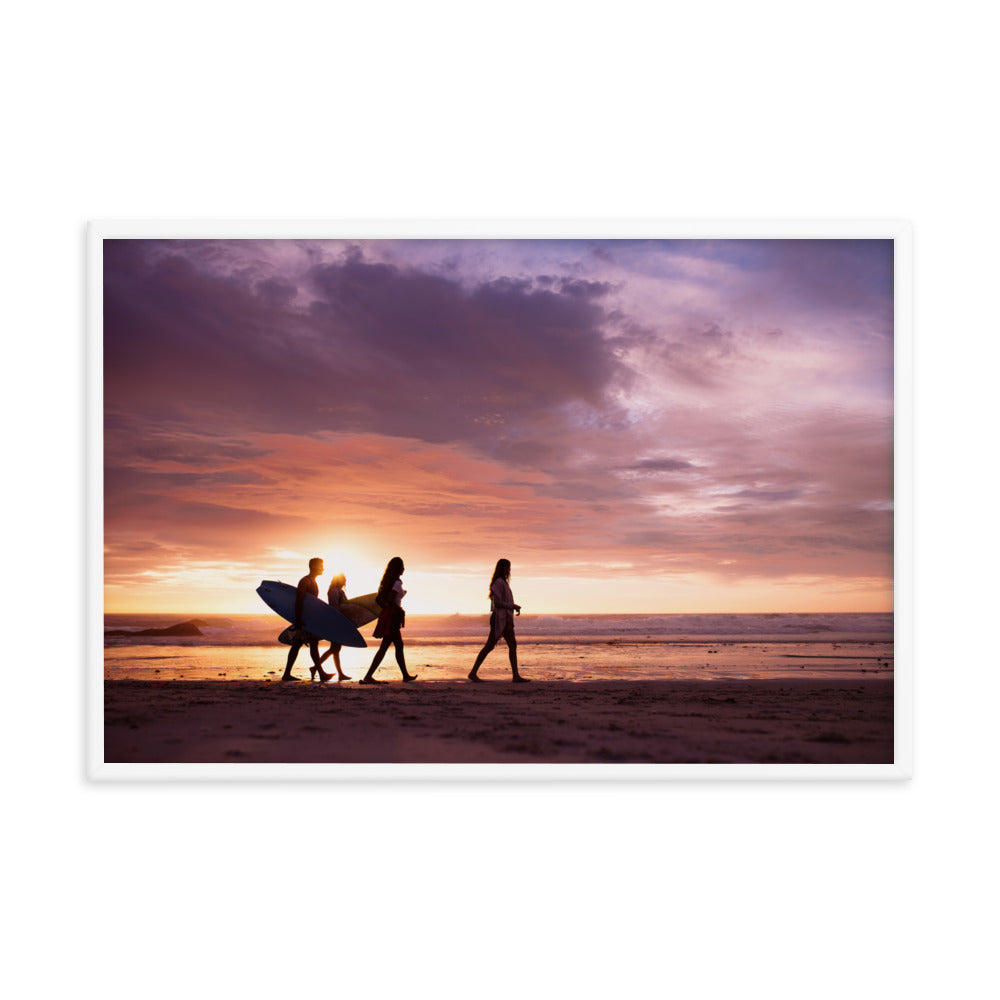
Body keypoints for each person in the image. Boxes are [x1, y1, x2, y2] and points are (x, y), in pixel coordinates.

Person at [468, 558, 529, 683]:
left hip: (506, 619)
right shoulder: (498, 582)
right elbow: (498, 603)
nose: (509, 570)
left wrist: (512, 607)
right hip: (499, 619)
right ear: (503, 568)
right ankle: (473, 673)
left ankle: (516, 676)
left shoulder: (503, 583)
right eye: (508, 567)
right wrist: (513, 606)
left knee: (512, 645)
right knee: (489, 646)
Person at [359, 557, 418, 684]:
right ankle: (368, 676)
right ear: (398, 568)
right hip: (394, 617)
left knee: (397, 646)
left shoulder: (388, 582)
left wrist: (389, 607)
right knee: (386, 647)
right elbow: (391, 599)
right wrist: (399, 610)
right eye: (402, 566)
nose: (404, 569)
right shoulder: (397, 582)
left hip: (390, 616)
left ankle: (405, 675)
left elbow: (380, 599)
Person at [282, 557, 332, 682]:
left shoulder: (313, 581)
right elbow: (299, 600)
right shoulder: (305, 581)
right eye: (321, 566)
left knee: (302, 644)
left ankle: (288, 674)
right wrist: (298, 620)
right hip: (304, 619)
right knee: (308, 644)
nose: (323, 568)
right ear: (314, 567)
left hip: (309, 618)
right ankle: (320, 673)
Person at [317, 572, 351, 681]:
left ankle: (340, 673)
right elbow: (334, 608)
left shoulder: (339, 591)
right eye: (343, 579)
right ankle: (315, 667)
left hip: (338, 622)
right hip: (335, 622)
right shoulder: (334, 591)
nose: (345, 580)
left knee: (335, 649)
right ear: (337, 580)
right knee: (335, 648)